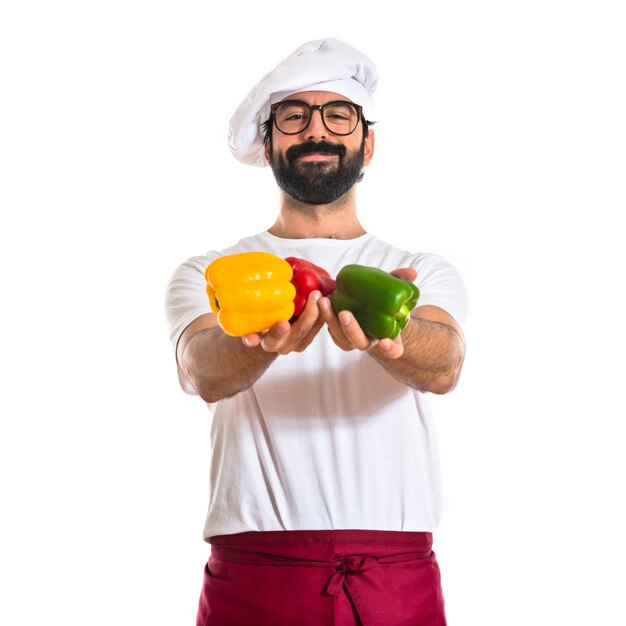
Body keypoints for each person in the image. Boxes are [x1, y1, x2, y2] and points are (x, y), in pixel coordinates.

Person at [165, 38, 467, 626]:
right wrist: (257, 348)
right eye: (294, 117)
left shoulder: (421, 269)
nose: (316, 131)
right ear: (271, 143)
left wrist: (393, 342)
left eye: (338, 114)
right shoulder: (210, 271)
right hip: (256, 571)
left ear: (367, 142)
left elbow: (447, 363)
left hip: (393, 572)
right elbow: (199, 369)